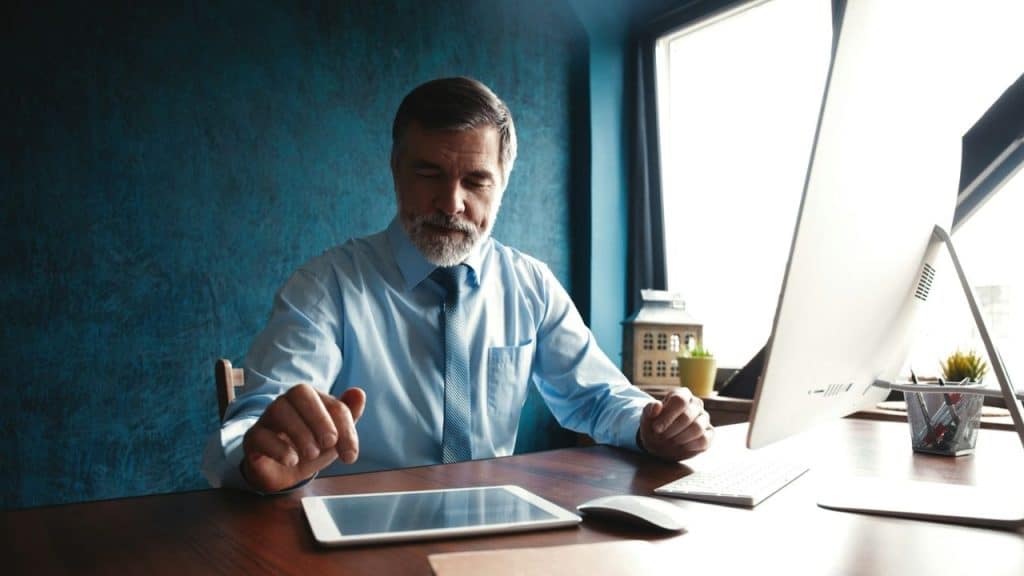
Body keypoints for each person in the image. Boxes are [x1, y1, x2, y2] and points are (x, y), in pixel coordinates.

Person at [202, 77, 714, 493]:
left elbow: (600, 399)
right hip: (355, 543)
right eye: (429, 173)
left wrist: (651, 425)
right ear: (396, 171)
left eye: (475, 180)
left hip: (494, 532)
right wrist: (258, 459)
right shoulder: (326, 287)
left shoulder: (530, 286)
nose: (451, 203)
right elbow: (249, 430)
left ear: (503, 183)